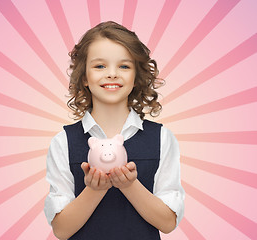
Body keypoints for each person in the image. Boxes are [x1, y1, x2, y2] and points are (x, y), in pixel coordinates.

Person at [44, 21, 185, 240]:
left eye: (124, 66)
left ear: (136, 77)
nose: (111, 74)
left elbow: (167, 223)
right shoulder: (63, 142)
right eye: (100, 66)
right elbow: (61, 230)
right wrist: (95, 189)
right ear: (84, 77)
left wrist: (129, 185)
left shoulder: (161, 138)